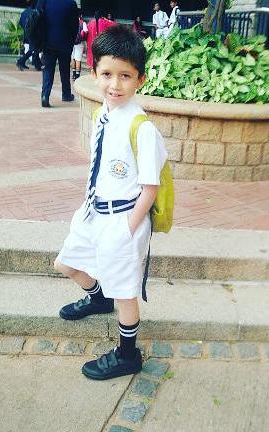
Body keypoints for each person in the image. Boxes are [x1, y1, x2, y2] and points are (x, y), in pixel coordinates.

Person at [54, 24, 168, 381]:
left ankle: (128, 354)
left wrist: (127, 229)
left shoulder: (142, 129)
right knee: (65, 264)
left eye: (125, 76)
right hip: (94, 211)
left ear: (140, 80)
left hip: (123, 218)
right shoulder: (102, 115)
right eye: (107, 74)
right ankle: (97, 297)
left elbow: (150, 188)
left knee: (125, 294)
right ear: (95, 73)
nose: (114, 84)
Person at [41, 0, 79, 108]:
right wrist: (71, 41)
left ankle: (45, 95)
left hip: (48, 43)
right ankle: (66, 94)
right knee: (65, 70)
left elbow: (39, 20)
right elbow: (75, 25)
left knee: (48, 70)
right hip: (65, 43)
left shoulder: (45, 2)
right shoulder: (71, 3)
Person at [16, 0, 42, 71]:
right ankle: (21, 61)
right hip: (33, 34)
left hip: (27, 33)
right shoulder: (34, 12)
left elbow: (20, 23)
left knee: (34, 49)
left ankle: (37, 64)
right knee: (34, 49)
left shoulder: (24, 12)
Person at [71, 10, 88, 80]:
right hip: (79, 43)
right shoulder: (82, 23)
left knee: (73, 58)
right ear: (80, 15)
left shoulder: (70, 21)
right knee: (78, 59)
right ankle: (77, 75)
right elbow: (86, 31)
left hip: (71, 43)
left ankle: (73, 74)